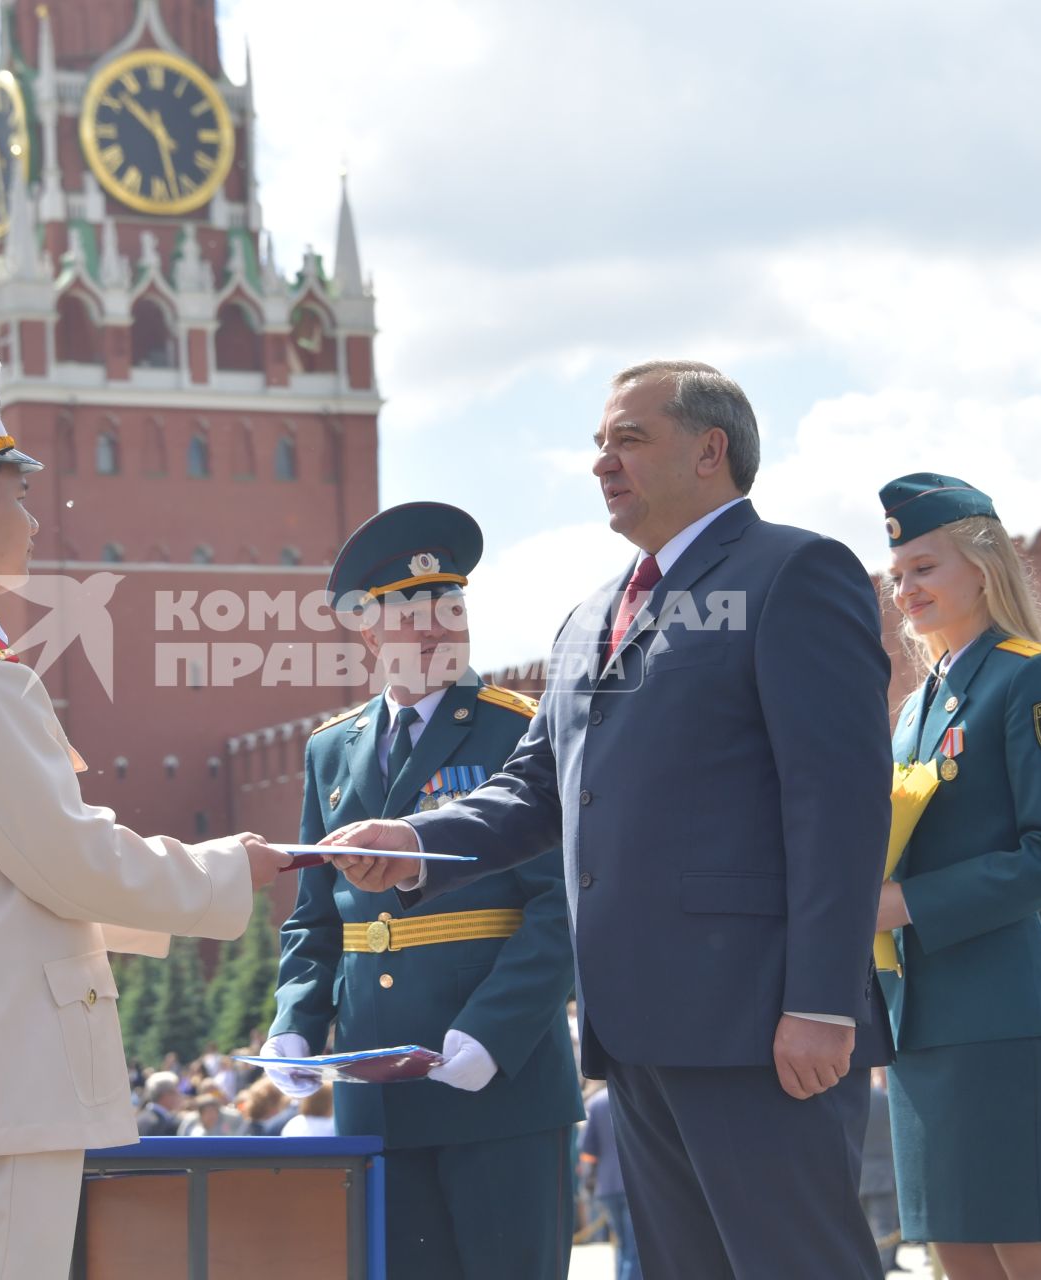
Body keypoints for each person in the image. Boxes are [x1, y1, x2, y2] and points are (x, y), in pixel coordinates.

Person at [331, 361, 893, 1277]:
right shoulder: (591, 614)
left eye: (629, 439)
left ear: (712, 451)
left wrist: (822, 1000)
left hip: (761, 1025)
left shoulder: (792, 572)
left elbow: (840, 799)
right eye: (599, 443)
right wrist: (414, 840)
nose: (602, 463)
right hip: (637, 1032)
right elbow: (535, 790)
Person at [0, 356, 291, 1280]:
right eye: (17, 497)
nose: (37, 522)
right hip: (2, 1070)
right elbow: (68, 862)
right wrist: (226, 872)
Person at [264, 501, 583, 1279]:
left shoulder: (518, 732)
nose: (435, 628)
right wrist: (297, 1021)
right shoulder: (330, 752)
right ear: (370, 632)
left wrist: (494, 1033)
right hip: (377, 1097)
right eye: (411, 614)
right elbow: (316, 919)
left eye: (450, 607)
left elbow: (562, 901)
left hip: (494, 1079)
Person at [875, 473, 1041, 1280]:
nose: (907, 589)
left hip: (1002, 1016)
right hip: (919, 1021)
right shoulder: (915, 707)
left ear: (982, 563)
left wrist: (903, 902)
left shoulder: (1029, 677)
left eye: (925, 568)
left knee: (1030, 1257)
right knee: (959, 1259)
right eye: (898, 575)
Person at [578, 1085, 640, 1280]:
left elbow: (587, 1149)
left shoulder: (596, 1103)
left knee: (622, 1246)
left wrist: (589, 1178)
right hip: (633, 1183)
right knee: (636, 1249)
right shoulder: (633, 1095)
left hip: (606, 1185)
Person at [861, 1067, 899, 1276]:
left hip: (857, 1175)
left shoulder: (846, 1104)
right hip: (883, 1176)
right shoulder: (883, 1100)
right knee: (883, 1230)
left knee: (858, 1232)